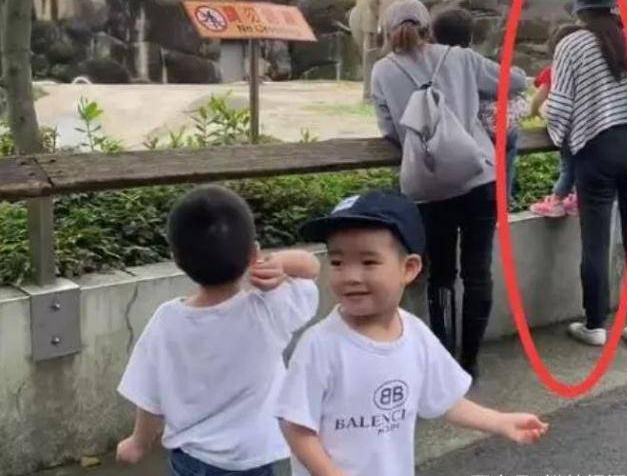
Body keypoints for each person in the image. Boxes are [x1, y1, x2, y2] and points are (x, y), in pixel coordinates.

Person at [276, 191, 548, 476]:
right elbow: (295, 426)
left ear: (409, 268)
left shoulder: (415, 335)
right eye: (337, 262)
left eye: (368, 262)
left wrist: (499, 422)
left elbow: (445, 400)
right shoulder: (320, 345)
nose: (350, 276)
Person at [371, 0, 527, 378]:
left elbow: (389, 129)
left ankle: (443, 361)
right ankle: (470, 361)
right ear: (429, 27)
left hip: (428, 188)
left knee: (440, 274)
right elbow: (517, 80)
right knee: (477, 273)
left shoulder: (382, 70)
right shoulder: (460, 58)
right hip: (479, 178)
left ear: (388, 30)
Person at [116, 185, 320, 475]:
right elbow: (312, 268)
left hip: (190, 459)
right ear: (254, 253)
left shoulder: (167, 320)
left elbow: (149, 394)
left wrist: (138, 442)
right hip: (253, 459)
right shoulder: (269, 309)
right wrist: (280, 263)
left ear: (175, 258)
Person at [546, 0, 627, 349]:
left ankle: (596, 324)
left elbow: (560, 107)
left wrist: (559, 139)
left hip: (596, 151)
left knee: (595, 241)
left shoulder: (572, 45)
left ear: (581, 8)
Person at [431, 7, 529, 204]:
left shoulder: (424, 58)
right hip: (473, 141)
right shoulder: (468, 58)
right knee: (509, 136)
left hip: (435, 142)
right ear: (470, 38)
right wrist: (514, 69)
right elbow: (516, 81)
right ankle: (503, 196)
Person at [529, 24, 583, 218]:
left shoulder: (552, 71)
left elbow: (539, 97)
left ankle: (557, 201)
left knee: (568, 166)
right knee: (581, 165)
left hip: (566, 128)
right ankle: (577, 199)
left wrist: (533, 112)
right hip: (586, 127)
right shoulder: (584, 69)